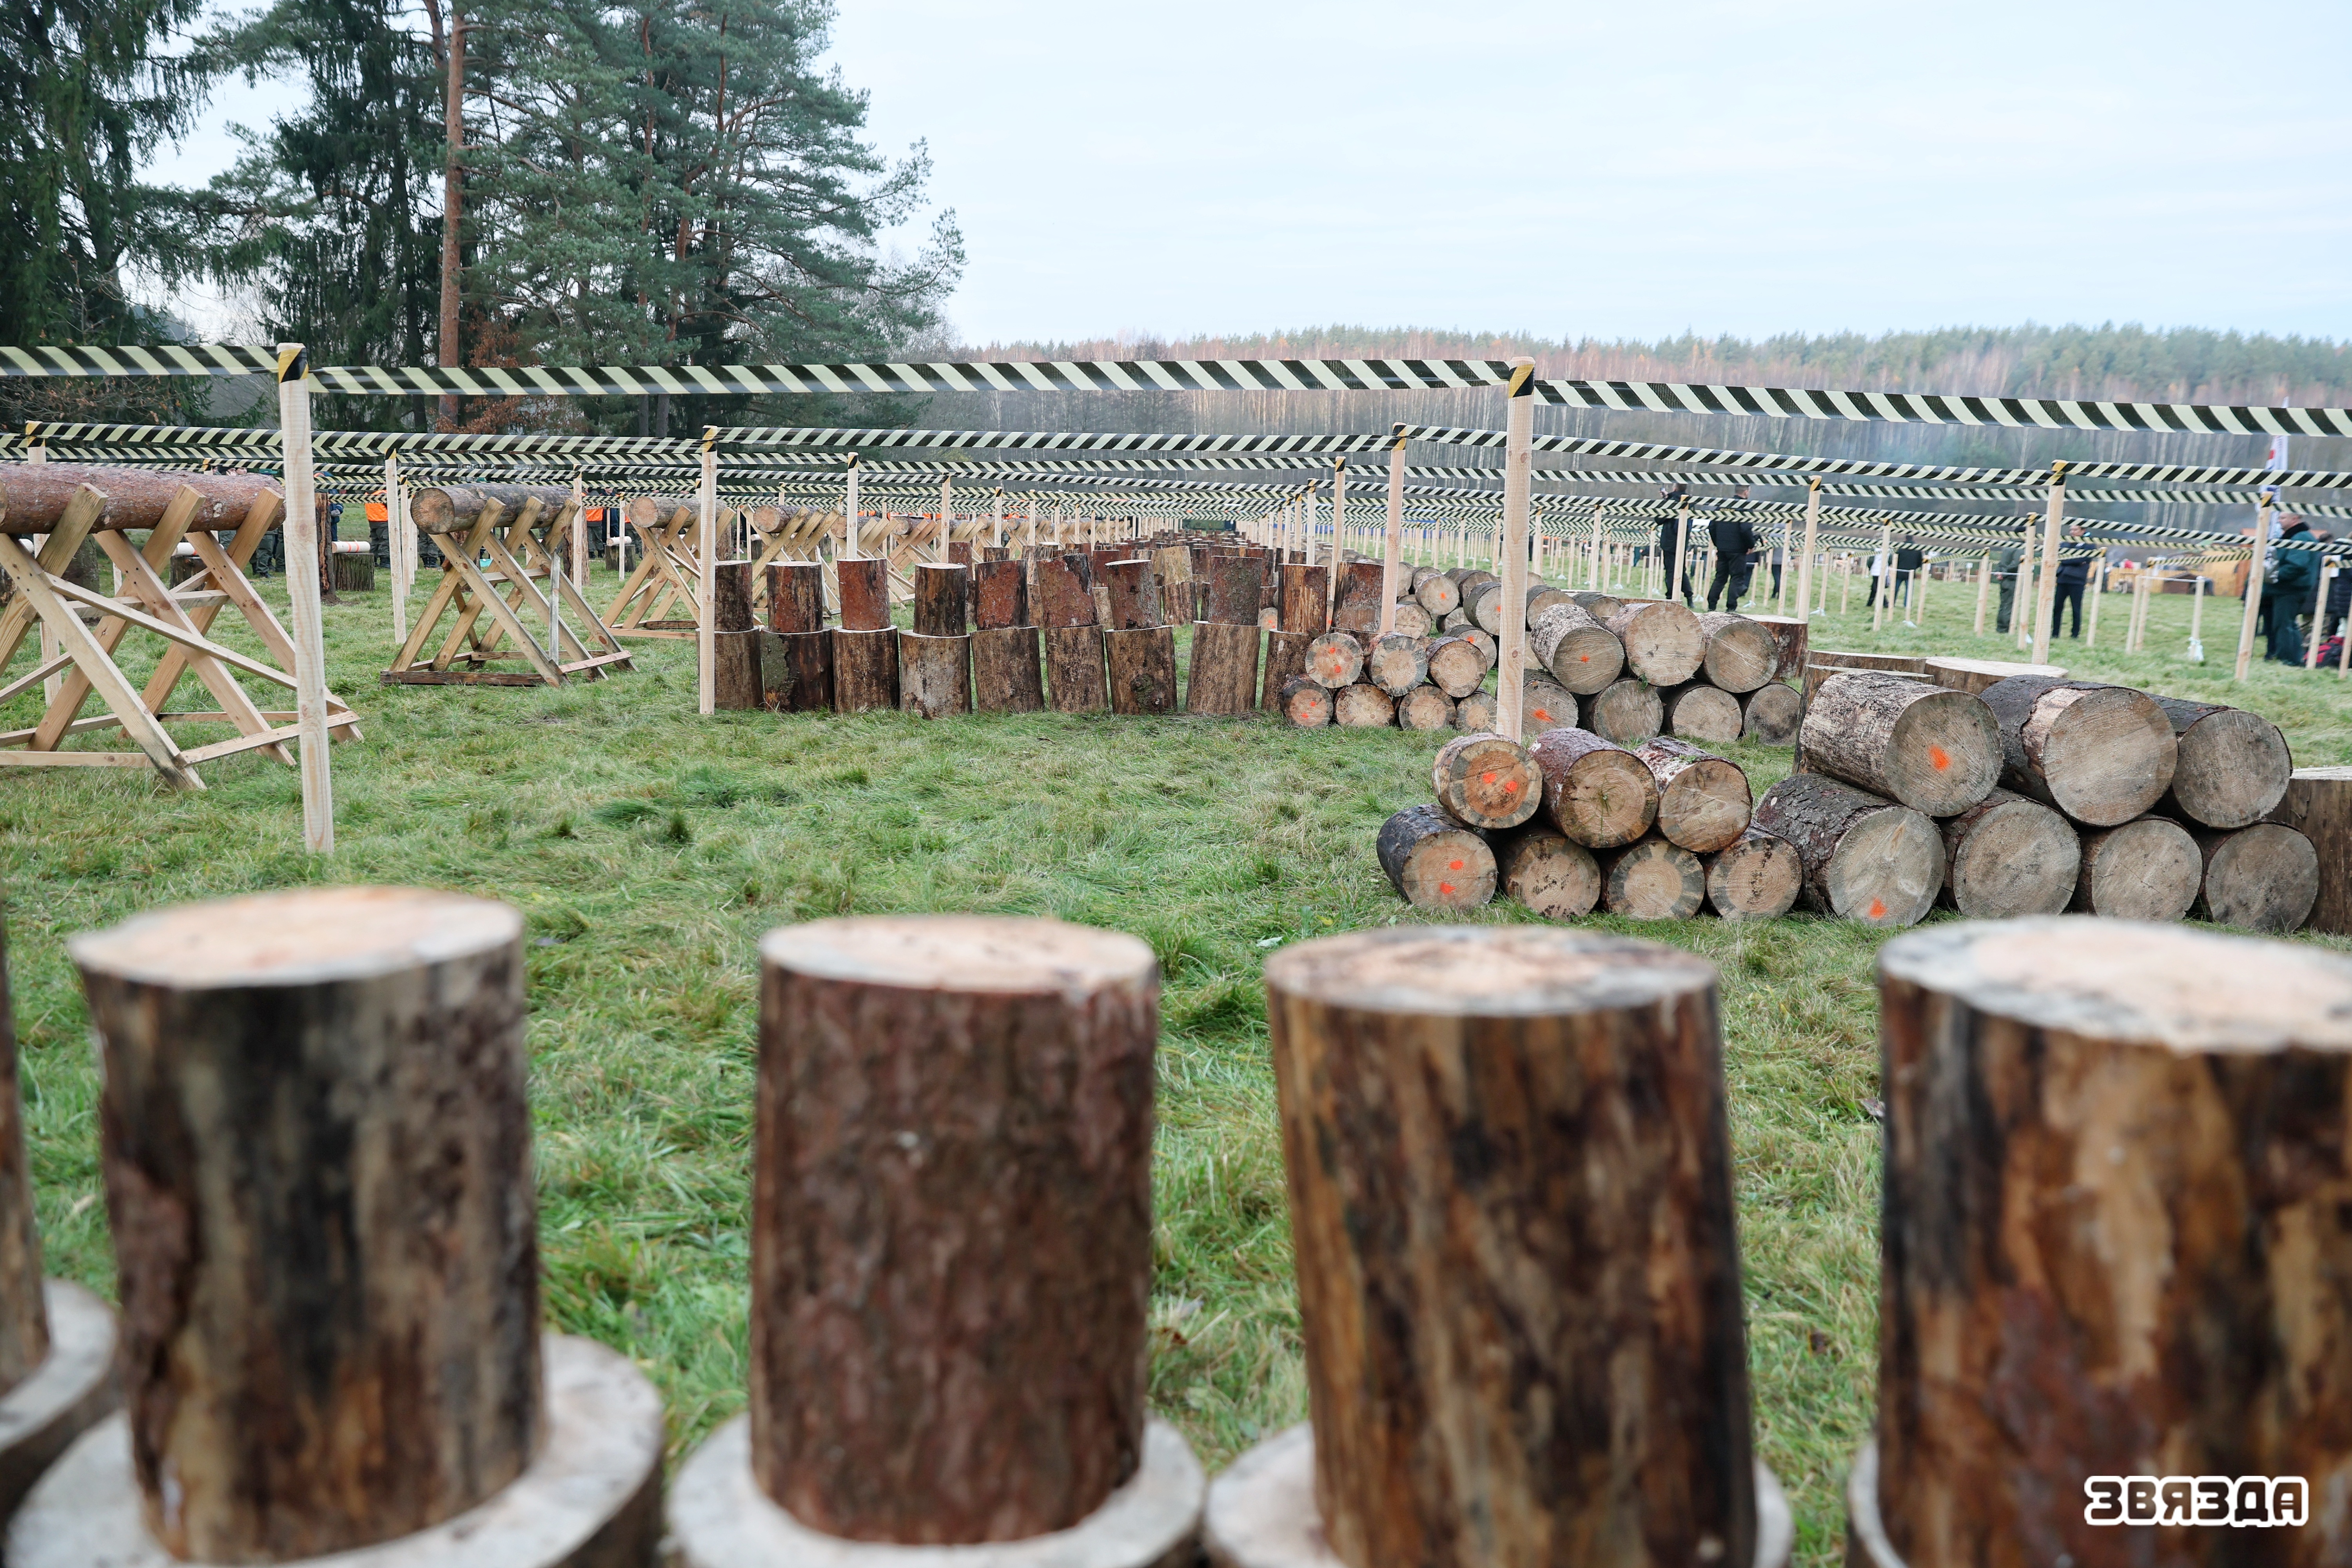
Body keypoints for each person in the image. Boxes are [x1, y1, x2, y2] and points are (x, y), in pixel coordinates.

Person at [2269, 513, 2315, 664]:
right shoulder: (2296, 536)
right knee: (2287, 623)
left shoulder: (2300, 537)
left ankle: (2289, 659)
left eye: (2283, 518)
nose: (2279, 521)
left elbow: (2297, 565)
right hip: (2291, 587)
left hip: (2291, 587)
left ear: (2295, 519)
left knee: (2285, 624)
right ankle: (2291, 657)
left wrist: (2274, 575)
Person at [1705, 490, 1757, 612]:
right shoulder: (1745, 507)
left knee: (1720, 577)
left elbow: (1712, 527)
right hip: (1738, 550)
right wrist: (1751, 545)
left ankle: (1711, 606)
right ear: (1746, 492)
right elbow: (1745, 529)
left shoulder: (1722, 505)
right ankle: (1731, 608)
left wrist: (1718, 544)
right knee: (1737, 578)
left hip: (1723, 549)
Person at [2050, 523, 2090, 639]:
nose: (2072, 532)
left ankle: (2075, 634)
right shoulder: (2066, 543)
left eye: (2075, 530)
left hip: (2077, 581)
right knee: (2057, 607)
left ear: (2083, 531)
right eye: (2071, 530)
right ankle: (2055, 633)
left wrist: (2068, 559)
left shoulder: (2089, 544)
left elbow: (2082, 559)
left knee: (2076, 608)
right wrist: (2071, 559)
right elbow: (2060, 556)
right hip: (2063, 579)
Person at [1656, 485, 1693, 605]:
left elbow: (1659, 519)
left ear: (1675, 488)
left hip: (1669, 541)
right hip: (1682, 541)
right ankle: (1689, 597)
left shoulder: (1671, 502)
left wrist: (1667, 500)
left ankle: (1671, 597)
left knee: (1671, 571)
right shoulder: (1690, 501)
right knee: (1681, 570)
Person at [1992, 538, 2023, 633]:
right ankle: (2006, 628)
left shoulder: (2007, 547)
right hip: (2012, 579)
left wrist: (2000, 572)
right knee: (2009, 605)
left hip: (2005, 580)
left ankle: (2001, 627)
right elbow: (2016, 563)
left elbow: (2002, 563)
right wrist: (2004, 573)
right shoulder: (2020, 547)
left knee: (2004, 604)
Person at [1893, 537, 1925, 615]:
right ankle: (1907, 605)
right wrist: (1914, 568)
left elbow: (1895, 559)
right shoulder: (1917, 549)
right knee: (1909, 591)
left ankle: (1892, 603)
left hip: (1899, 572)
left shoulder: (1901, 548)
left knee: (1895, 589)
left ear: (1906, 539)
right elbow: (1920, 562)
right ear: (1913, 539)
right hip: (1911, 572)